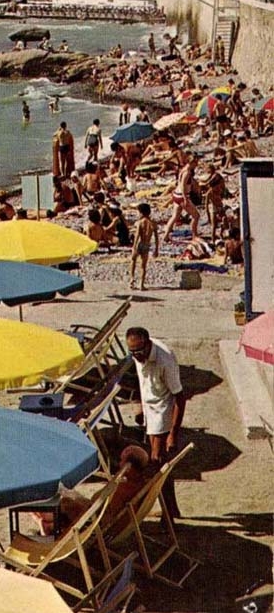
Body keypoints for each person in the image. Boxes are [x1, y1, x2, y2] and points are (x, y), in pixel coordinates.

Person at [125, 326, 185, 520]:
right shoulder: (137, 355)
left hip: (163, 413)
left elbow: (180, 398)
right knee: (161, 466)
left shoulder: (165, 360)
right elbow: (141, 382)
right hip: (150, 411)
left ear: (148, 344)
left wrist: (172, 434)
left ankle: (168, 517)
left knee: (156, 465)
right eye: (132, 352)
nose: (136, 356)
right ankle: (171, 510)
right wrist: (140, 406)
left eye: (139, 351)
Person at [163, 153, 200, 242]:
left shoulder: (184, 169)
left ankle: (166, 236)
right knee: (196, 216)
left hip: (177, 194)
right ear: (191, 162)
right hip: (182, 196)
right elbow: (183, 185)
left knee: (175, 216)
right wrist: (185, 198)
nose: (196, 165)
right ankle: (194, 235)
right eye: (195, 163)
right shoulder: (187, 172)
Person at [130, 203, 159, 290]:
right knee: (143, 266)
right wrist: (156, 249)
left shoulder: (140, 223)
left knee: (133, 261)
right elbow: (156, 237)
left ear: (141, 213)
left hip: (139, 243)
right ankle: (141, 284)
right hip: (146, 244)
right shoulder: (153, 223)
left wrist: (134, 247)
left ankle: (132, 279)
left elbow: (137, 236)